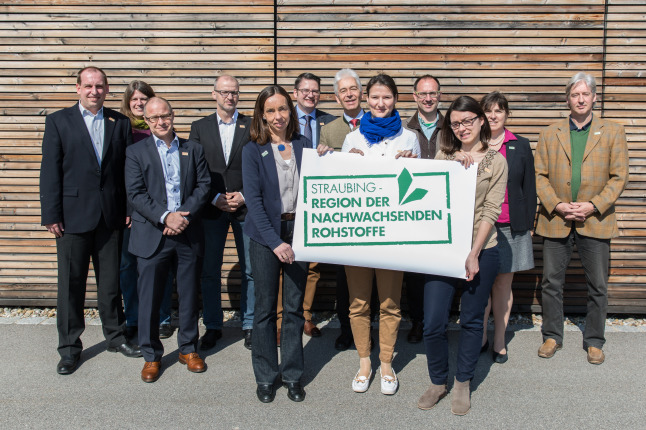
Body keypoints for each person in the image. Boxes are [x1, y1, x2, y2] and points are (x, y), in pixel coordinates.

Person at [40, 66, 140, 375]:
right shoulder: (59, 121)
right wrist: (51, 214)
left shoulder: (119, 122)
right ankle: (70, 348)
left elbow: (126, 170)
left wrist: (127, 208)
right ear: (77, 88)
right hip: (72, 218)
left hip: (110, 216)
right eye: (88, 85)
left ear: (107, 89)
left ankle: (115, 336)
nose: (94, 91)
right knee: (71, 285)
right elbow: (50, 171)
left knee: (111, 283)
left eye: (99, 86)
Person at [418, 96, 507, 415]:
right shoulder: (444, 155)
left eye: (468, 120)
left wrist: (474, 253)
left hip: (482, 250)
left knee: (471, 320)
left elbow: (491, 210)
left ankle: (462, 383)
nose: (462, 127)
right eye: (455, 123)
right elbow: (424, 191)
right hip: (443, 249)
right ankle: (437, 381)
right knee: (433, 322)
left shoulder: (497, 161)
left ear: (482, 120)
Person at [242, 85, 332, 403]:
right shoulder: (253, 149)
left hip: (299, 230)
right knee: (266, 310)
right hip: (266, 234)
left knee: (294, 309)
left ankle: (293, 374)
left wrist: (327, 158)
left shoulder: (304, 144)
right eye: (271, 111)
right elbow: (252, 200)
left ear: (290, 112)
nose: (278, 116)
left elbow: (320, 182)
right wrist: (275, 242)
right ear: (262, 115)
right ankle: (266, 376)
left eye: (283, 109)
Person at [535, 72, 629, 365]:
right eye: (575, 95)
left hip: (596, 219)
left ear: (594, 97)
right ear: (567, 99)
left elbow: (619, 177)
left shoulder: (612, 131)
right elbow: (540, 175)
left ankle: (594, 341)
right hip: (556, 218)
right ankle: (552, 336)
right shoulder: (551, 132)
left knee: (598, 285)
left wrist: (592, 205)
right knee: (551, 282)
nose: (580, 99)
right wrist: (558, 205)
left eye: (585, 94)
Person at [341, 73, 420, 396]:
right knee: (358, 304)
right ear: (366, 99)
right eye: (374, 97)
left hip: (393, 237)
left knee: (389, 303)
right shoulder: (353, 139)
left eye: (386, 97)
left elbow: (420, 186)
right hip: (359, 236)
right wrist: (343, 162)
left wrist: (413, 164)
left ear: (395, 99)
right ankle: (364, 362)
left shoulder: (409, 138)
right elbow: (340, 185)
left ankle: (386, 362)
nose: (380, 103)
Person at [125, 97, 211, 383]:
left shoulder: (193, 149)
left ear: (173, 116)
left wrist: (182, 216)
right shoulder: (135, 152)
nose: (161, 122)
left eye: (165, 116)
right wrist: (166, 217)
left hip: (187, 231)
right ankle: (151, 355)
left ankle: (188, 349)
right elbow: (136, 194)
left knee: (188, 294)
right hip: (153, 233)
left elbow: (203, 186)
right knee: (148, 297)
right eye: (154, 118)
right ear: (146, 121)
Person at [189, 75, 255, 351]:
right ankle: (213, 326)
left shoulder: (252, 125)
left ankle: (250, 325)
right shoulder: (199, 127)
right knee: (209, 270)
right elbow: (193, 168)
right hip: (211, 207)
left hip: (246, 206)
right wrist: (214, 197)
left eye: (235, 92)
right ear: (214, 94)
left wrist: (244, 195)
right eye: (225, 92)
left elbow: (261, 166)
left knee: (251, 269)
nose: (230, 97)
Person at [275, 73, 336, 340]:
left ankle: (305, 317)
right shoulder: (284, 121)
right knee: (282, 262)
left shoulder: (329, 123)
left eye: (315, 91)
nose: (310, 94)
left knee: (312, 265)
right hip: (288, 199)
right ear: (295, 93)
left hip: (317, 202)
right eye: (305, 90)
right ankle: (280, 320)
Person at [479, 91, 536, 363]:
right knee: (480, 284)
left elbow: (529, 186)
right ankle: (480, 335)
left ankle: (499, 339)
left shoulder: (520, 145)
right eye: (488, 111)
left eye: (498, 111)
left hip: (510, 226)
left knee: (503, 285)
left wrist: (529, 223)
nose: (493, 116)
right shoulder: (473, 144)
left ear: (506, 115)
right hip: (480, 226)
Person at [119, 80, 175, 342]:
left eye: (144, 99)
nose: (139, 103)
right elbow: (123, 177)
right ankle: (133, 318)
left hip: (159, 212)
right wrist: (127, 208)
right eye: (134, 100)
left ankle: (162, 317)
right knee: (130, 267)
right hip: (131, 213)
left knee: (160, 266)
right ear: (128, 104)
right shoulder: (122, 129)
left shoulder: (164, 131)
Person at [319, 68, 366, 351]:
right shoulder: (329, 130)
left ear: (361, 93)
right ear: (337, 98)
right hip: (346, 212)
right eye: (343, 91)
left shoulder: (377, 122)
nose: (349, 94)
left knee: (371, 274)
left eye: (353, 89)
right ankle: (346, 330)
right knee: (343, 276)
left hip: (373, 208)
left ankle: (368, 328)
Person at [403, 74, 446, 343]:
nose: (428, 98)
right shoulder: (403, 130)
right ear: (415, 96)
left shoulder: (452, 126)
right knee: (416, 271)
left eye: (433, 93)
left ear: (439, 95)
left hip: (445, 208)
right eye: (423, 94)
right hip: (413, 208)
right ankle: (418, 321)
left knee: (443, 267)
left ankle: (439, 320)